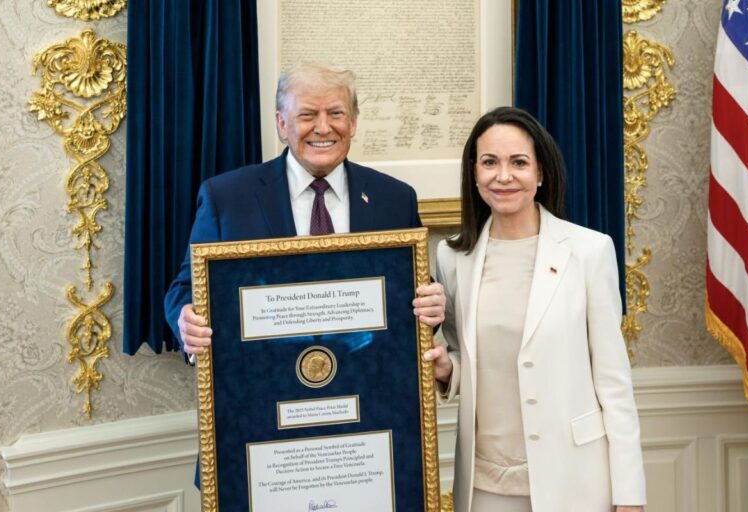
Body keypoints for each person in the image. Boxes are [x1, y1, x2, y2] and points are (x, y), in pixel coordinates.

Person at [423, 107, 646, 512]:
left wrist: (629, 494)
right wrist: (445, 369)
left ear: (540, 172)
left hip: (575, 478)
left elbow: (614, 382)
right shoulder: (453, 256)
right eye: (489, 162)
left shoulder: (589, 251)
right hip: (484, 485)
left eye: (519, 163)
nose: (503, 176)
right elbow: (465, 357)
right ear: (474, 173)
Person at [164, 63, 445, 355]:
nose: (323, 127)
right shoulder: (226, 199)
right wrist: (186, 320)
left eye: (336, 113)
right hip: (263, 383)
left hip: (367, 381)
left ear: (353, 123)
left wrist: (432, 305)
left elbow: (412, 294)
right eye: (307, 115)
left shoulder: (395, 199)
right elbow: (185, 289)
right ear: (282, 124)